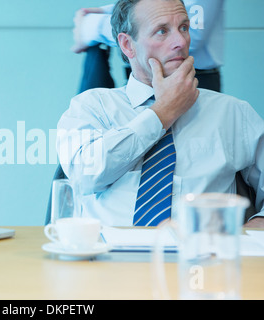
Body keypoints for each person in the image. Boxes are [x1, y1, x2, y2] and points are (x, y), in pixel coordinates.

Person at [57, 0, 264, 228]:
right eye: (162, 31)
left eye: (184, 28)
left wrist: (257, 226)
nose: (181, 42)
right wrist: (162, 113)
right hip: (109, 258)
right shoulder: (91, 107)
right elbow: (85, 178)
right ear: (127, 45)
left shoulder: (232, 113)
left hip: (201, 258)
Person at [72, 0, 224, 93]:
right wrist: (110, 12)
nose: (181, 41)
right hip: (144, 78)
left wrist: (92, 26)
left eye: (183, 29)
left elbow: (194, 32)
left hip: (193, 79)